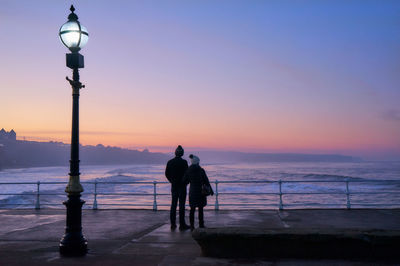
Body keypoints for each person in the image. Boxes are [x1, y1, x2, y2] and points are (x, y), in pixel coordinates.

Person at [183, 154, 214, 231]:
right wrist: (211, 190)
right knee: (200, 209)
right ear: (197, 162)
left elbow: (184, 181)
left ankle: (192, 226)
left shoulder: (188, 170)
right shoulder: (201, 170)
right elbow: (206, 181)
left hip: (192, 192)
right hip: (200, 192)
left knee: (192, 209)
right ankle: (201, 224)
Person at [165, 145, 190, 230]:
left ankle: (173, 224)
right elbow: (187, 174)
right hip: (182, 186)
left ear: (175, 153)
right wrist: (186, 183)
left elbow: (166, 174)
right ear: (182, 153)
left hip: (174, 186)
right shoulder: (184, 162)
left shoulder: (170, 162)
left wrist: (171, 181)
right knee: (181, 206)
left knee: (173, 205)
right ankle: (182, 225)